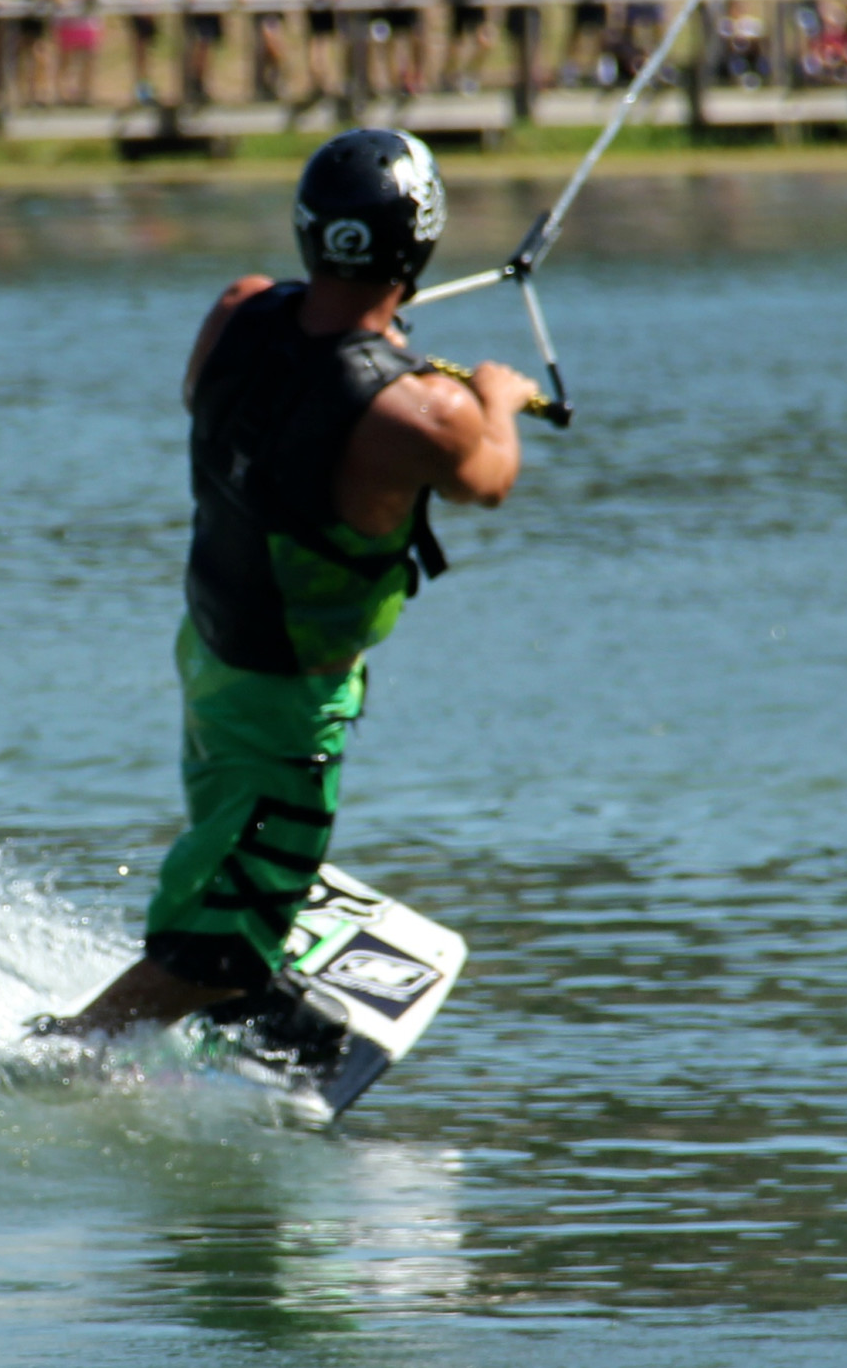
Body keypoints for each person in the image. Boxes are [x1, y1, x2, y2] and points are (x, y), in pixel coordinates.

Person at [43, 129, 535, 1048]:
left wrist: (371, 347)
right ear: (419, 245)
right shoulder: (427, 412)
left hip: (214, 644)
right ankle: (74, 1052)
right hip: (285, 694)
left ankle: (237, 951)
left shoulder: (239, 309)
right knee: (218, 942)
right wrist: (498, 396)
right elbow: (491, 478)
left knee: (232, 824)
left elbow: (222, 396)